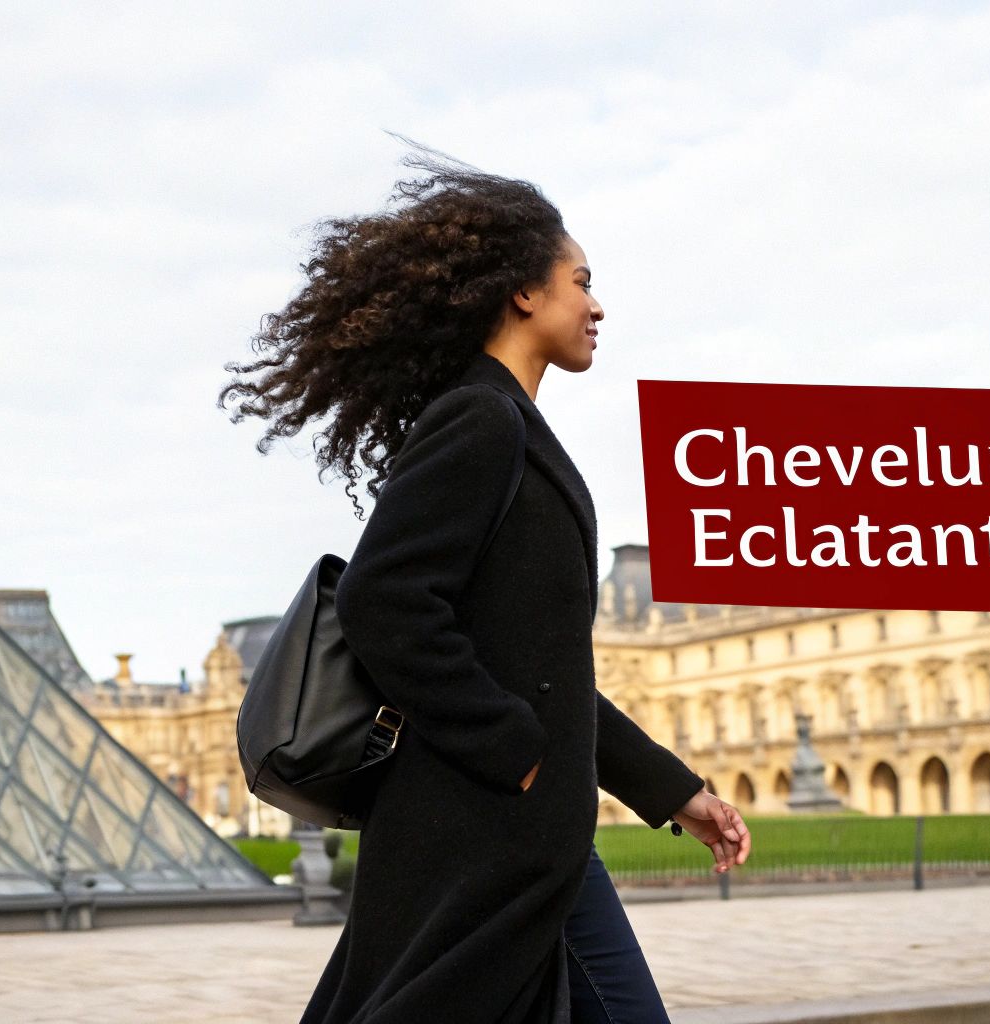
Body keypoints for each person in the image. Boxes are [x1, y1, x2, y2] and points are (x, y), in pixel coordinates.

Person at [220, 142, 751, 1023]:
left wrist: (670, 791)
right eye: (581, 281)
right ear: (523, 292)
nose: (598, 304)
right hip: (485, 826)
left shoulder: (503, 425)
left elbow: (544, 671)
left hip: (518, 831)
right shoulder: (481, 420)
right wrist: (515, 747)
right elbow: (384, 600)